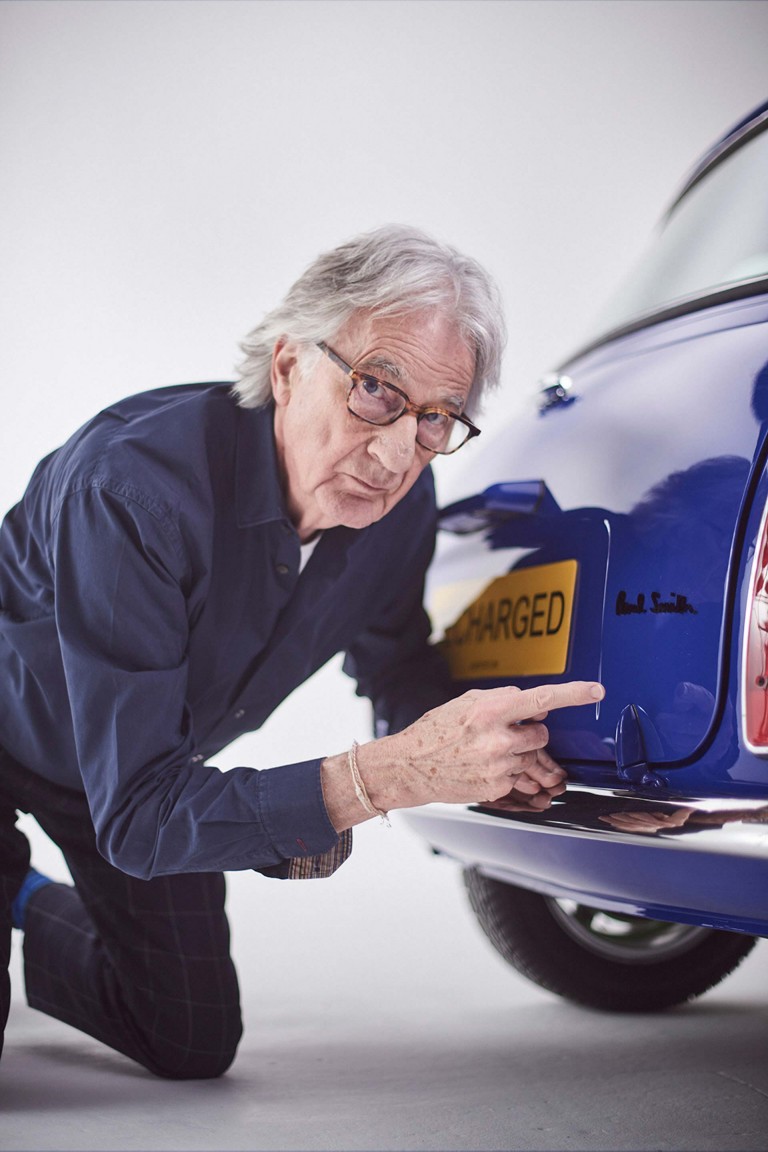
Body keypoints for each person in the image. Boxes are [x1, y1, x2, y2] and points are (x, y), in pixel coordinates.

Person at [0, 224, 604, 1078]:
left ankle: (23, 899)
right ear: (288, 368)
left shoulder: (399, 504)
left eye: (436, 420)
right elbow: (139, 816)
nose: (399, 453)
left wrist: (501, 764)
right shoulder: (130, 488)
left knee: (191, 1040)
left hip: (139, 766)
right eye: (377, 391)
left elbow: (396, 664)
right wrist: (388, 776)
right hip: (21, 726)